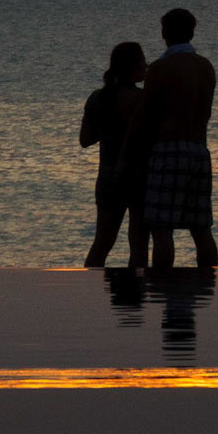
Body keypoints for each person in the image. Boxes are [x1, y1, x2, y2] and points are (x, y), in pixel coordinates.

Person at [139, 7, 218, 270]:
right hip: (199, 149)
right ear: (192, 32)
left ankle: (163, 284)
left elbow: (146, 115)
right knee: (201, 228)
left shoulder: (160, 68)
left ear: (164, 33)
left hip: (169, 149)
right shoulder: (206, 67)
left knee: (161, 228)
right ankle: (208, 282)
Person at [79, 41, 148, 268]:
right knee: (139, 245)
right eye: (143, 61)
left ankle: (89, 286)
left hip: (109, 177)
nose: (146, 65)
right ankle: (136, 288)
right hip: (139, 177)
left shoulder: (98, 98)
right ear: (133, 66)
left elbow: (85, 139)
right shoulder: (144, 99)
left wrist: (108, 129)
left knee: (102, 243)